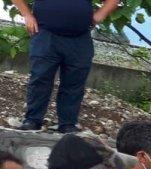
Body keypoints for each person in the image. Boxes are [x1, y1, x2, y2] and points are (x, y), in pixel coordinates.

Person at [13, 0, 118, 134]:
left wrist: (100, 14)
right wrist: (27, 15)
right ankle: (32, 120)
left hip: (79, 38)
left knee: (74, 83)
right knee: (40, 78)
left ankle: (67, 124)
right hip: (46, 34)